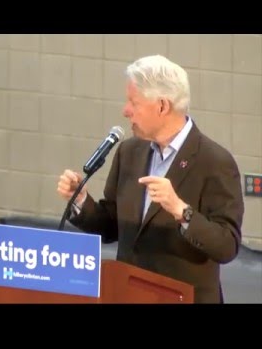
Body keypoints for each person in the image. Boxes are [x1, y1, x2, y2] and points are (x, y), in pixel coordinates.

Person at [57, 54, 244, 304]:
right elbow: (112, 226)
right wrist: (80, 200)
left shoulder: (215, 161)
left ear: (162, 106)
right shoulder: (129, 152)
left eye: (133, 102)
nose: (125, 111)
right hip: (127, 295)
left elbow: (227, 246)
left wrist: (181, 211)